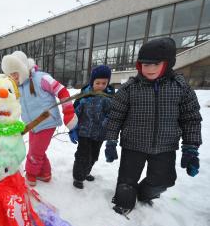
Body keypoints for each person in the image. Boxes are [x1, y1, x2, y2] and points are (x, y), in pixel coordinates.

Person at [105, 37, 202, 215]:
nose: (149, 69)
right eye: (145, 64)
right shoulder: (129, 88)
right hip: (133, 144)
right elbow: (115, 116)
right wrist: (111, 140)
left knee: (164, 180)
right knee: (126, 182)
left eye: (155, 64)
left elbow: (191, 118)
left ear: (167, 63)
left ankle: (144, 194)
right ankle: (124, 202)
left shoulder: (180, 88)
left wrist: (191, 147)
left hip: (165, 146)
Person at [1, 51, 77, 186]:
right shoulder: (17, 88)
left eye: (15, 73)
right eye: (10, 74)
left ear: (22, 69)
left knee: (35, 153)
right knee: (36, 150)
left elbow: (62, 91)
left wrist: (69, 112)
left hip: (47, 121)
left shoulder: (41, 78)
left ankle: (30, 177)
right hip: (32, 125)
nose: (13, 77)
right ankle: (45, 174)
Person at [69, 65, 114, 189]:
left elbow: (113, 115)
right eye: (97, 82)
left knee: (94, 155)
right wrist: (72, 129)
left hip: (99, 134)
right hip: (84, 132)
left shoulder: (110, 99)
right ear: (92, 82)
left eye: (104, 83)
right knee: (83, 155)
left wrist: (108, 123)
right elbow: (74, 114)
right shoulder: (84, 96)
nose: (100, 85)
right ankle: (78, 177)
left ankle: (86, 171)